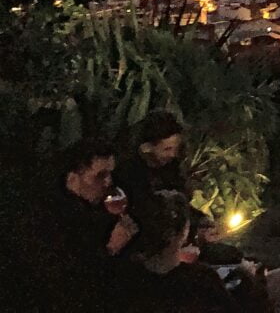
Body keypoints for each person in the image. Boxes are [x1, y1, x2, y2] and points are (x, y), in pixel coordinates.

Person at [29, 138, 138, 311]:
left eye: (110, 174)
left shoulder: (98, 208)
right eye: (100, 175)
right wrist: (111, 248)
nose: (108, 182)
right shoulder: (49, 219)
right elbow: (67, 278)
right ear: (73, 179)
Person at [117, 110, 225, 255]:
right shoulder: (129, 173)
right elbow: (145, 212)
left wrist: (203, 222)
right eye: (167, 149)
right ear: (146, 147)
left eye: (175, 149)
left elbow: (181, 204)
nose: (172, 154)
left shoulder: (171, 169)